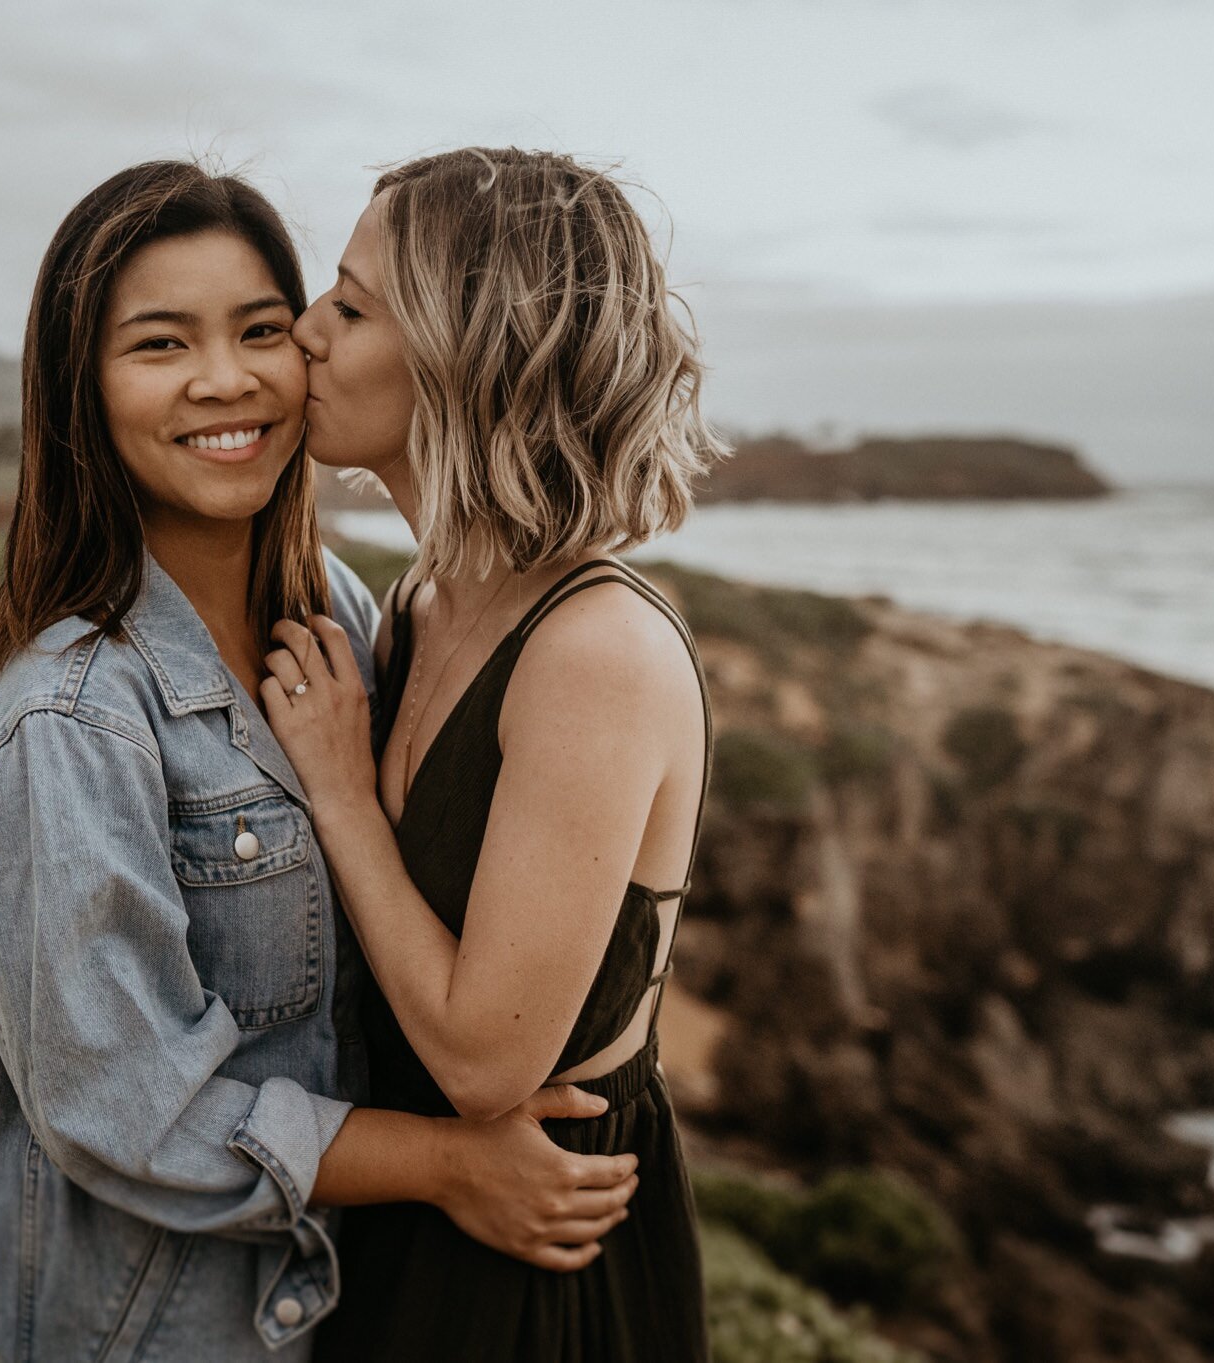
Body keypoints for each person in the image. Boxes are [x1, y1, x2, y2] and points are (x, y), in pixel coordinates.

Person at [0, 160, 645, 1363]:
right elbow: (122, 1107)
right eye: (159, 345)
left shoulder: (347, 618)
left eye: (262, 328)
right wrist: (444, 1164)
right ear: (81, 390)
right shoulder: (67, 717)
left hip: (347, 1316)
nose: (227, 378)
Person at [259, 148, 725, 1361]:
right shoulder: (417, 600)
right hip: (412, 1208)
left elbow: (479, 1056)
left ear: (468, 356)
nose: (300, 330)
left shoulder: (593, 652)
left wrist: (341, 792)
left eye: (350, 307)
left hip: (538, 1254)